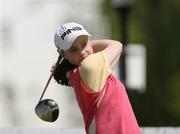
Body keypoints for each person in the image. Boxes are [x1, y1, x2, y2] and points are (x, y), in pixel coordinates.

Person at [52, 22, 141, 134]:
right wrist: (89, 44)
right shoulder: (90, 66)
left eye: (84, 44)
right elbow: (117, 45)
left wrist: (65, 58)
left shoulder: (75, 74)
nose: (82, 52)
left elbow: (115, 56)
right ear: (62, 54)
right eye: (73, 49)